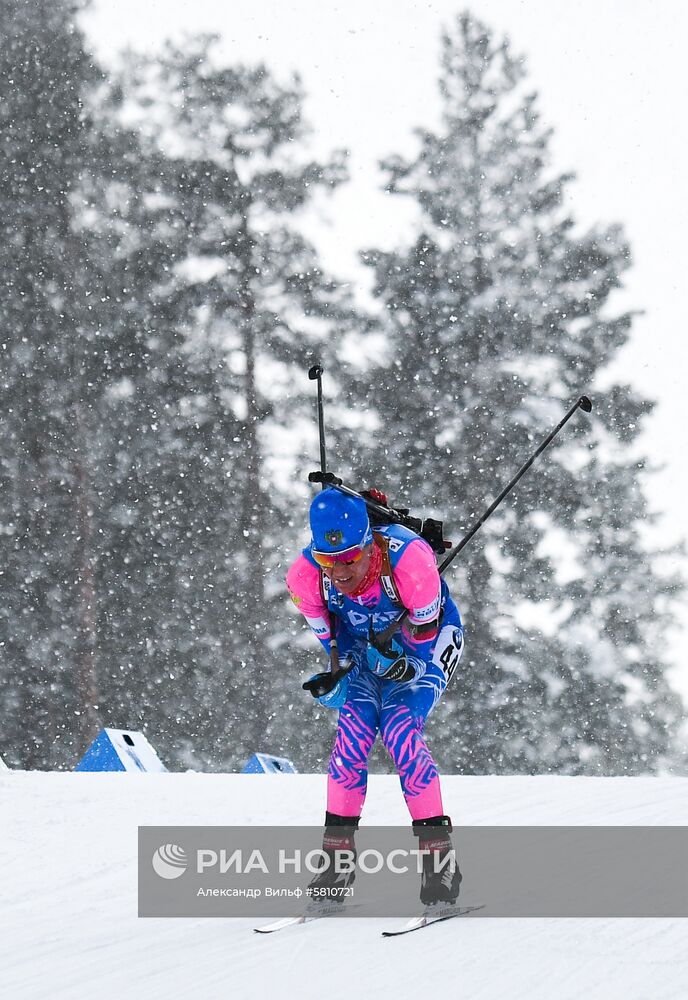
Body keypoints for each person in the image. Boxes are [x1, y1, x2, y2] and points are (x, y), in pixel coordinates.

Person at [286, 486, 465, 906]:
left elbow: (422, 644)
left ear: (370, 545)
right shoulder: (304, 577)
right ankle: (335, 866)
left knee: (401, 730)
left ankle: (440, 866)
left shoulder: (411, 562)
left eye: (349, 559)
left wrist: (398, 662)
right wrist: (338, 685)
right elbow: (334, 647)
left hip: (428, 640)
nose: (340, 573)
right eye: (329, 562)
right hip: (362, 645)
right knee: (351, 736)